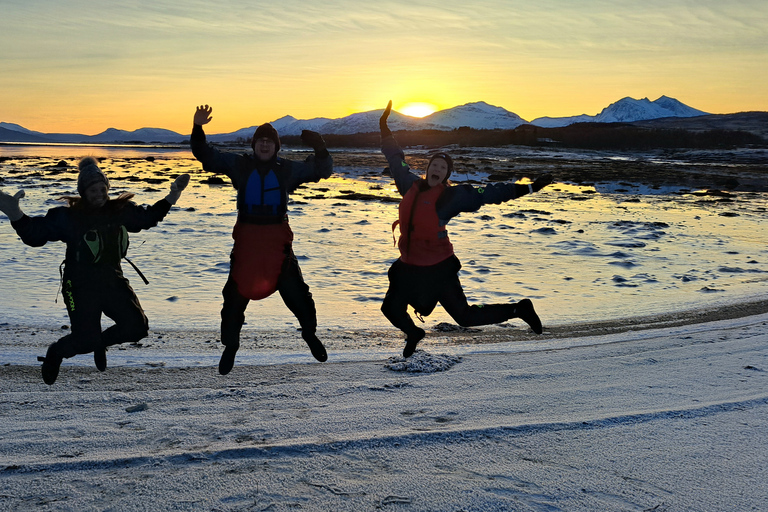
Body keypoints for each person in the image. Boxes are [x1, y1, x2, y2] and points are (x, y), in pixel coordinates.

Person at [378, 100, 552, 357]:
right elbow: (395, 158)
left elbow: (487, 193)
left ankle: (519, 309)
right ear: (427, 169)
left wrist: (528, 188)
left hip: (438, 268)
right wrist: (384, 128)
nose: (436, 169)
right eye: (434, 165)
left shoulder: (450, 198)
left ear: (447, 175)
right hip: (409, 266)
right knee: (390, 308)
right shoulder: (409, 184)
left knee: (464, 316)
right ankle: (414, 333)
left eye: (442, 168)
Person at [0, 157, 190, 385]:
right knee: (84, 341)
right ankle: (56, 353)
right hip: (79, 286)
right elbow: (35, 235)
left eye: (102, 188)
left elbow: (147, 218)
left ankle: (101, 343)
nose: (99, 194)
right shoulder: (69, 218)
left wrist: (172, 197)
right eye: (92, 189)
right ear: (83, 192)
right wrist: (15, 215)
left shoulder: (120, 210)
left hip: (112, 281)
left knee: (136, 327)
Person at [190, 105, 333, 375]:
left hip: (278, 245)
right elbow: (206, 155)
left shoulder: (287, 170)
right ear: (254, 144)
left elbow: (322, 170)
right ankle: (230, 345)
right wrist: (198, 128)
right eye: (260, 141)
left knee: (300, 296)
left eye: (270, 141)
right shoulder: (240, 166)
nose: (265, 145)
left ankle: (310, 334)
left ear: (276, 147)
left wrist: (321, 147)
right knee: (232, 299)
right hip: (247, 245)